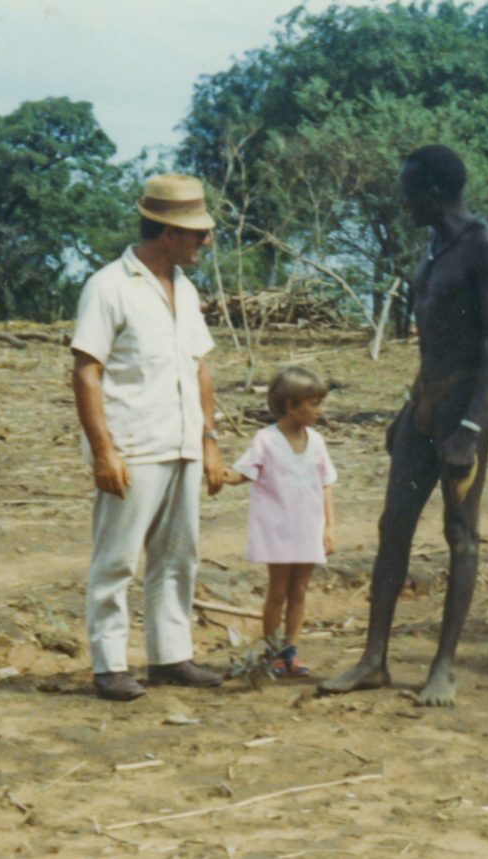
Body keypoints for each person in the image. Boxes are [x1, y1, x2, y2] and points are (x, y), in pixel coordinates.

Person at [320, 145, 488, 707]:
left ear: (432, 190)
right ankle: (373, 660)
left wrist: (472, 429)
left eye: (407, 188)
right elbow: (432, 344)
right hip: (424, 404)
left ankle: (443, 667)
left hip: (463, 409)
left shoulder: (485, 246)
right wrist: (409, 411)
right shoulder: (432, 248)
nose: (400, 200)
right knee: (392, 529)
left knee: (460, 536)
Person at [71, 173, 225, 701]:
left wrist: (208, 439)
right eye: (197, 235)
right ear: (167, 233)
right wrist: (103, 450)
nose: (204, 242)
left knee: (179, 557)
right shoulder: (109, 286)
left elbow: (200, 367)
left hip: (181, 442)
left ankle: (170, 656)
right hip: (133, 445)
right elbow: (87, 370)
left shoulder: (186, 289)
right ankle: (110, 664)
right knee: (116, 559)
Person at [224, 366, 337, 677]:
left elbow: (326, 484)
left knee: (299, 590)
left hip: (308, 527)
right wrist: (222, 476)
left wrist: (329, 527)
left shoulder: (317, 441)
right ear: (290, 405)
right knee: (277, 591)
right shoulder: (266, 439)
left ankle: (291, 650)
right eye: (313, 404)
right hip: (278, 530)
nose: (319, 410)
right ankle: (272, 652)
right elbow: (244, 472)